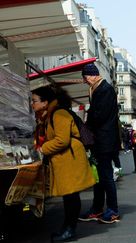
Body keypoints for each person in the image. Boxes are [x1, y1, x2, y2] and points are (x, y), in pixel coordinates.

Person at [32, 86, 95, 241]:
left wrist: (42, 149)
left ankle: (70, 230)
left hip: (70, 159)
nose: (32, 104)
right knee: (70, 197)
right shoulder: (50, 115)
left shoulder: (59, 114)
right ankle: (67, 228)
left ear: (45, 102)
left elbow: (62, 140)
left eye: (34, 101)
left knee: (71, 197)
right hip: (66, 159)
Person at [79, 63, 121, 224]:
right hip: (101, 139)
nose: (84, 81)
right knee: (100, 177)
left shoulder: (104, 89)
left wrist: (86, 126)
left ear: (92, 75)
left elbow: (100, 115)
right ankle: (97, 208)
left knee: (106, 176)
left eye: (85, 77)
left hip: (105, 139)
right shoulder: (98, 89)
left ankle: (112, 210)